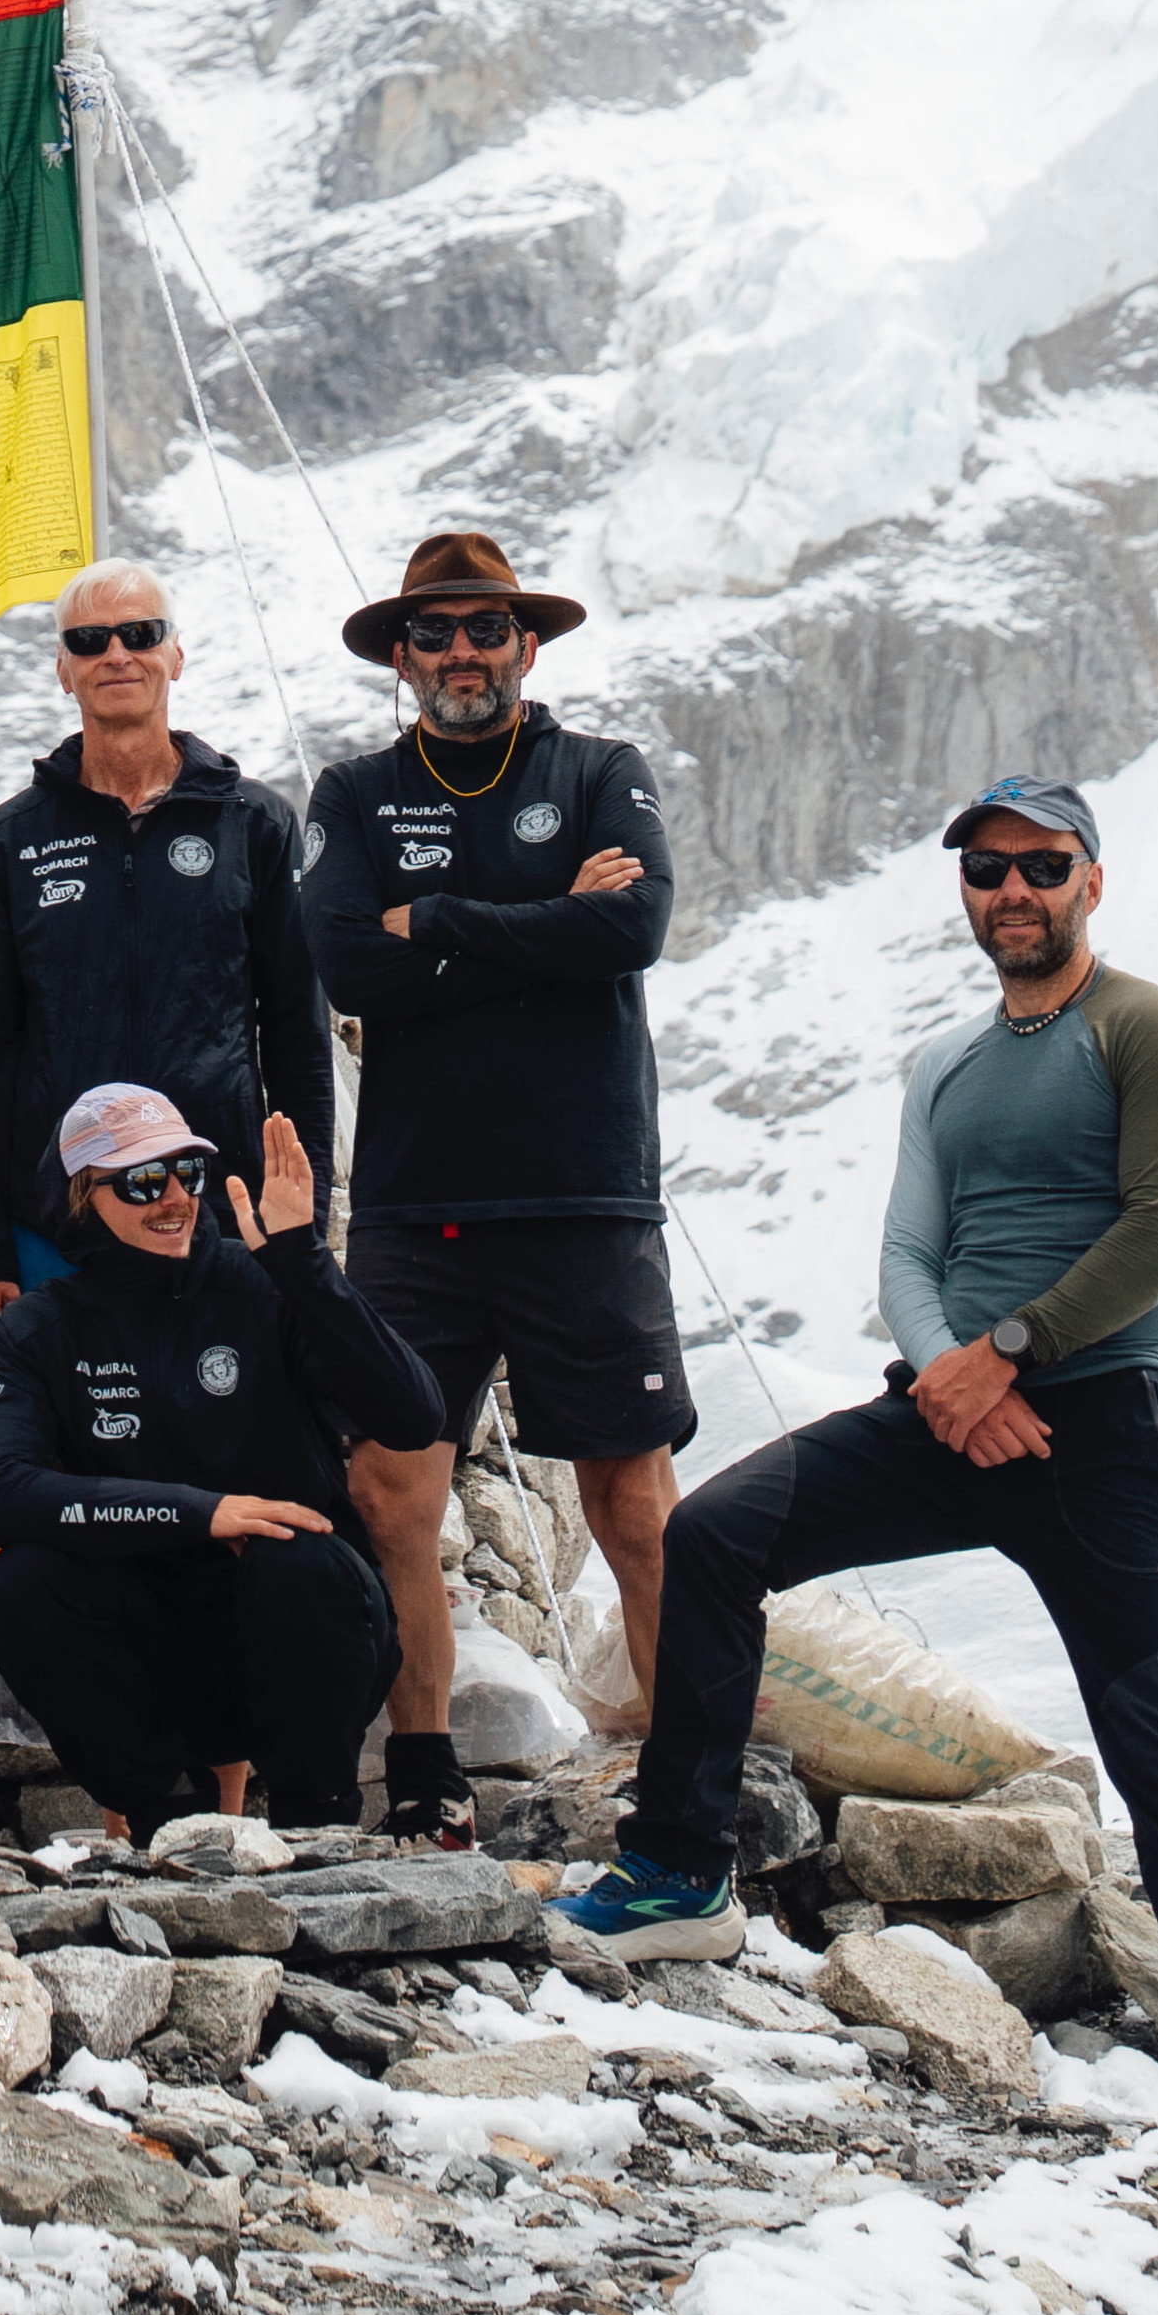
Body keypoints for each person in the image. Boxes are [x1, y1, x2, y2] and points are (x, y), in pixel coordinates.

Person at [562, 779, 1158, 2128]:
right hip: (950, 1410)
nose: (1012, 889)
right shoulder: (948, 1061)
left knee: (1156, 1737)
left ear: (1090, 881)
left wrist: (1008, 1349)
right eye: (986, 869)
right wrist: (950, 1377)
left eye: (1041, 865)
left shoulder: (1143, 1027)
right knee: (712, 1535)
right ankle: (679, 1870)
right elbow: (909, 1247)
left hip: (1103, 1425)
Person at [301, 531, 682, 1847]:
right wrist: (544, 919)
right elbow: (346, 962)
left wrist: (441, 920)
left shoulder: (602, 771)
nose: (461, 652)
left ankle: (684, 1775)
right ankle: (423, 1770)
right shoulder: (354, 793)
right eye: (435, 631)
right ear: (400, 657)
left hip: (587, 1199)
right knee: (392, 1494)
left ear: (527, 644)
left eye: (484, 628)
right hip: (417, 1208)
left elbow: (632, 927)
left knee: (633, 1504)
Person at [0, 1086, 446, 1844]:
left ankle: (318, 1828)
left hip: (303, 1641)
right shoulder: (39, 1327)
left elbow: (415, 1417)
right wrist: (200, 1512)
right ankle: (169, 1832)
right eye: (141, 1181)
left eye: (186, 1171)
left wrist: (304, 1262)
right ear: (82, 1198)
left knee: (297, 1556)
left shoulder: (265, 1282)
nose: (174, 1198)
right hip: (150, 1660)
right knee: (21, 1585)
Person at [0, 559, 334, 1340]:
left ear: (176, 655)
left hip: (220, 1208)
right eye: (89, 641)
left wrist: (306, 1223)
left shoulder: (256, 825)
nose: (116, 654)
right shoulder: (6, 842)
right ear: (63, 669)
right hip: (58, 1221)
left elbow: (299, 1036)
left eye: (140, 633)